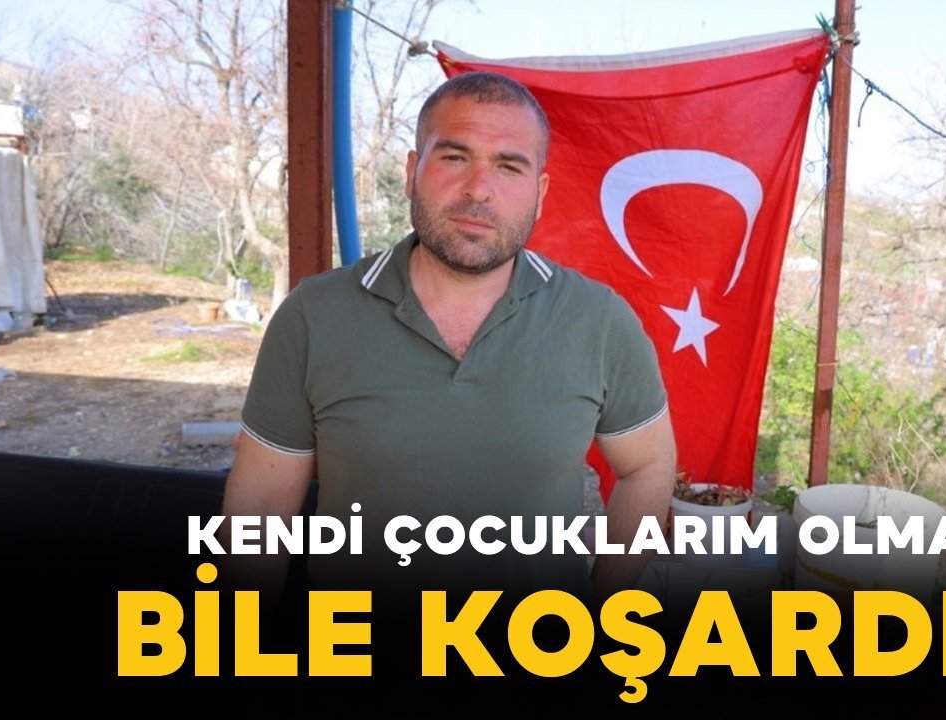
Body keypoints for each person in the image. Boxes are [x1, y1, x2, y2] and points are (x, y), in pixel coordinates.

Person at [221, 71, 675, 603]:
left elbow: (648, 466)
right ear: (412, 172)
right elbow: (261, 506)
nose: (478, 189)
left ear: (540, 193)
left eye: (509, 166)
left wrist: (604, 601)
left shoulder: (598, 320)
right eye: (455, 157)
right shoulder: (313, 315)